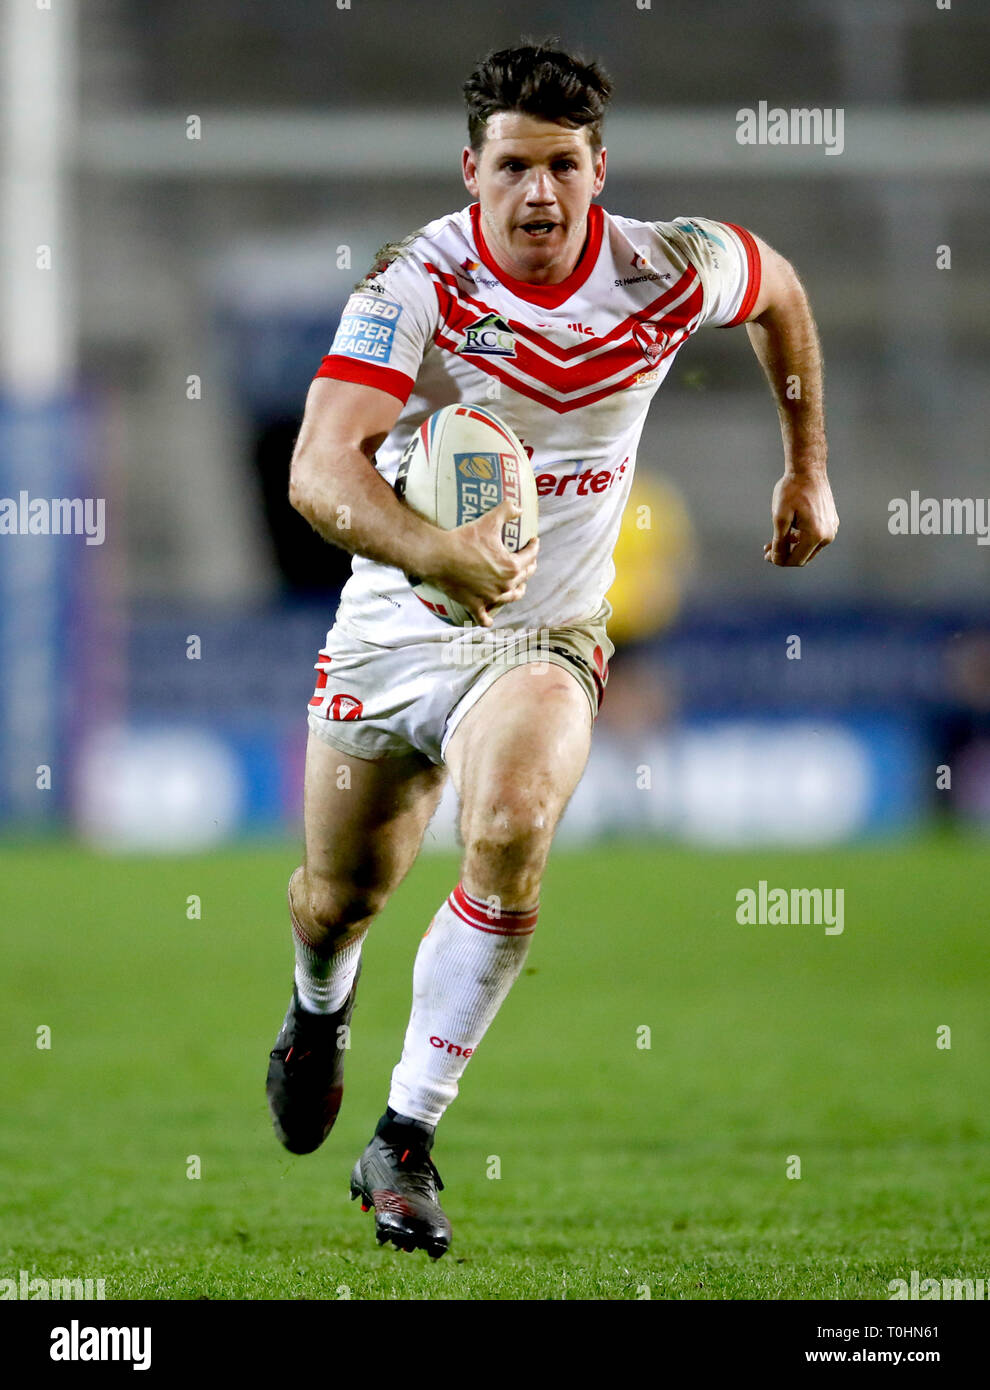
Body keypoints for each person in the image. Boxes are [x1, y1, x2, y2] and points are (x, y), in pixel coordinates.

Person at [266, 42, 839, 1260]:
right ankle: (318, 1012)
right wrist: (433, 550)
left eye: (563, 166)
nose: (540, 192)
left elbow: (780, 287)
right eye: (515, 165)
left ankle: (405, 1136)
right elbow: (319, 470)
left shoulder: (666, 266)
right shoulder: (416, 280)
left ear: (597, 169)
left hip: (545, 631)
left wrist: (808, 467)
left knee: (516, 821)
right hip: (395, 625)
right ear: (472, 170)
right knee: (335, 900)